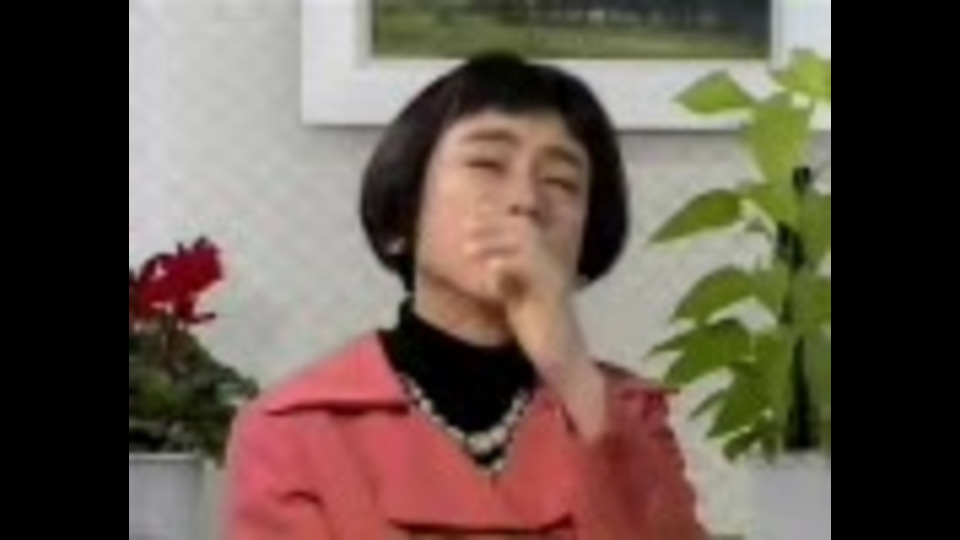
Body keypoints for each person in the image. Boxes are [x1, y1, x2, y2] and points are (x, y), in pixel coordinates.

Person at [223, 51, 706, 539]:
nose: (526, 201)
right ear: (401, 219)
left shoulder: (625, 414)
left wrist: (570, 367)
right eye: (487, 163)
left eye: (561, 181)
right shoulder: (294, 429)